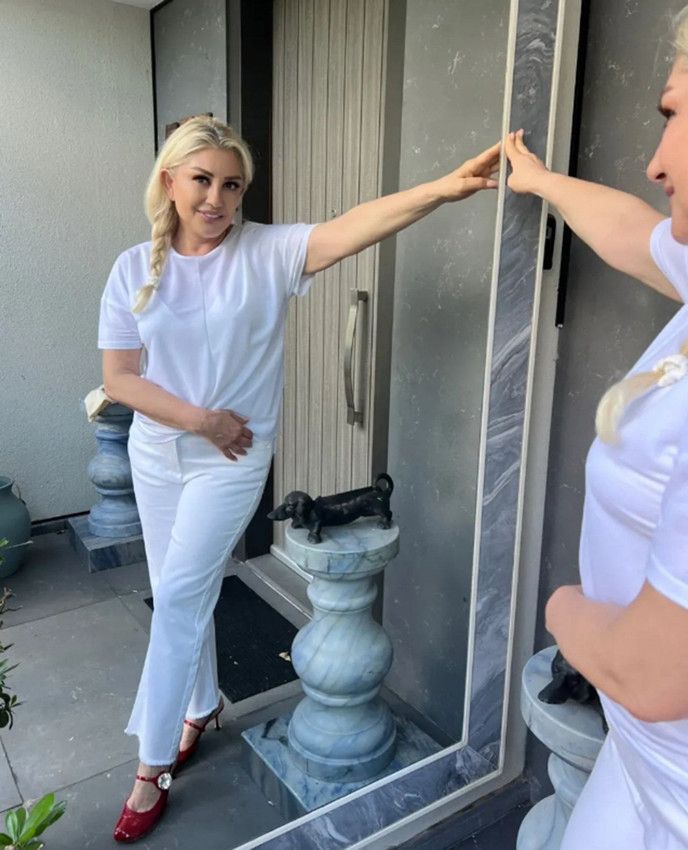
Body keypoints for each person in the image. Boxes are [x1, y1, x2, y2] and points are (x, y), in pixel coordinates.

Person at [99, 115, 500, 842]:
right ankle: (199, 706)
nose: (217, 198)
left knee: (182, 597)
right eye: (202, 180)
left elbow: (356, 226)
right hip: (158, 454)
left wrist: (444, 189)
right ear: (169, 181)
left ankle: (150, 766)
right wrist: (199, 419)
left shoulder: (266, 251)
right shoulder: (133, 267)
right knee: (179, 591)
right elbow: (120, 379)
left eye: (232, 185)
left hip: (230, 459)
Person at [505, 6, 688, 849]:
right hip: (642, 756)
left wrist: (562, 610)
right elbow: (635, 236)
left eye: (674, 113)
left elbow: (655, 671)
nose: (654, 161)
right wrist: (539, 181)